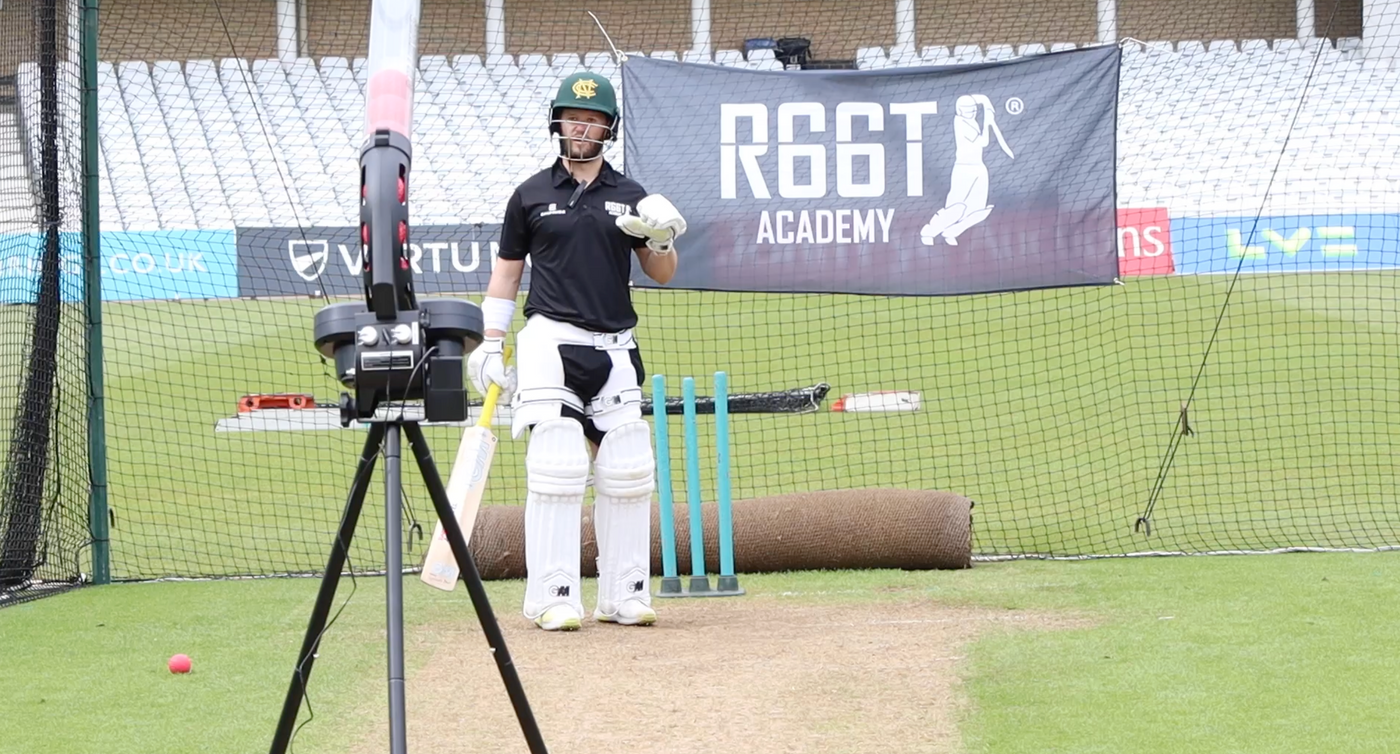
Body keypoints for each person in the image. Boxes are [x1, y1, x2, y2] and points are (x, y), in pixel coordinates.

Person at [467, 71, 686, 631]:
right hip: (550, 340)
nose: (581, 127)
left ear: (607, 128)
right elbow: (506, 275)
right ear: (557, 124)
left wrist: (660, 238)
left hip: (614, 345)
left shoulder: (631, 196)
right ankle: (553, 595)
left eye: (592, 119)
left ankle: (624, 593)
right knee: (558, 463)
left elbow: (660, 274)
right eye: (572, 117)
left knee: (630, 465)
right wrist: (491, 344)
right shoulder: (531, 195)